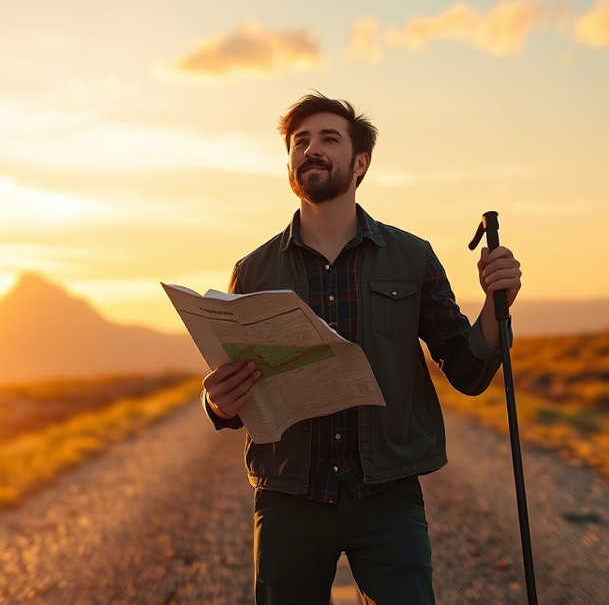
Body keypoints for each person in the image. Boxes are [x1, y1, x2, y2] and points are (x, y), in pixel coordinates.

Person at [201, 92, 522, 604]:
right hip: (289, 498)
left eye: (329, 139)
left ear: (361, 161)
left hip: (386, 497)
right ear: (289, 162)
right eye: (300, 141)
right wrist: (218, 402)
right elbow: (235, 394)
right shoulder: (254, 270)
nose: (312, 149)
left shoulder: (411, 257)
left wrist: (494, 303)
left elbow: (467, 369)